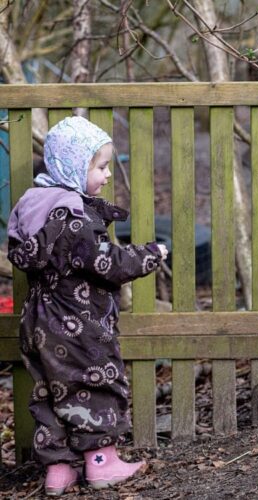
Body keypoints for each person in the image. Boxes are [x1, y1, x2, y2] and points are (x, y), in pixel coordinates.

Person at [7, 116, 168, 495]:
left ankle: (58, 471)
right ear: (73, 166)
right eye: (100, 166)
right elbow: (106, 263)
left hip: (39, 323)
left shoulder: (32, 206)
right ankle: (102, 464)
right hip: (77, 323)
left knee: (50, 391)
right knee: (93, 384)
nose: (108, 174)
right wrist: (151, 253)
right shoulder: (73, 217)